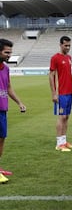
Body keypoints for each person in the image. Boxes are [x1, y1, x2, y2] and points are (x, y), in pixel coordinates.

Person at [0, 39, 26, 184]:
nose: (9, 55)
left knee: (1, 139)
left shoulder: (6, 68)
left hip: (3, 109)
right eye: (6, 52)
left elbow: (8, 87)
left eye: (10, 52)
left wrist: (19, 102)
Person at [49, 35, 72, 152]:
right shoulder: (55, 58)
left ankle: (64, 141)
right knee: (62, 117)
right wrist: (54, 93)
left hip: (68, 93)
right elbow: (51, 76)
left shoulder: (69, 57)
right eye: (66, 45)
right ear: (60, 45)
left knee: (67, 117)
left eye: (69, 45)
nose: (68, 47)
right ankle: (59, 143)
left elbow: (69, 75)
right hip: (60, 93)